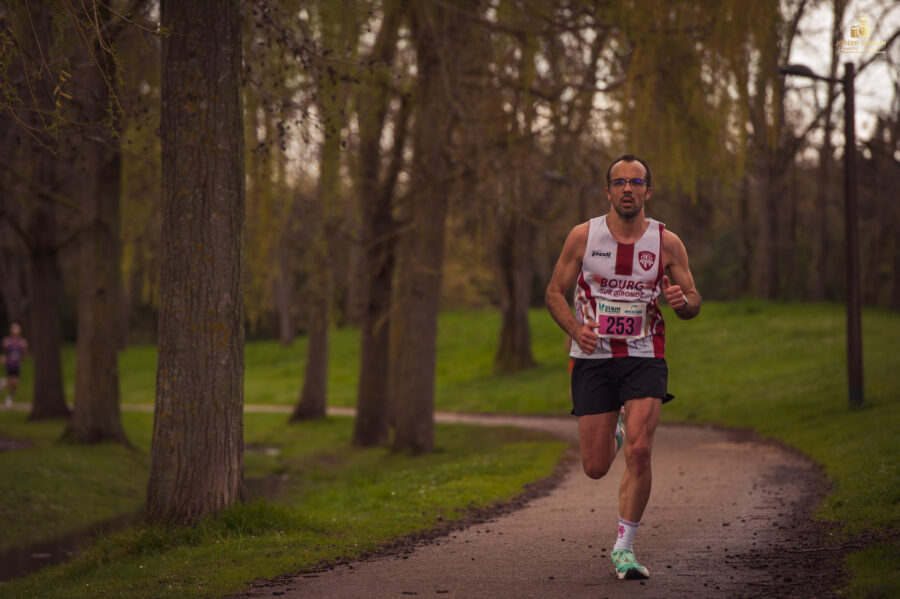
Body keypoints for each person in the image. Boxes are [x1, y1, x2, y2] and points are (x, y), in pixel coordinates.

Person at [545, 154, 700, 580]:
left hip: (644, 353)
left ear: (648, 191)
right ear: (607, 190)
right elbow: (554, 293)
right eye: (619, 182)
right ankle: (614, 429)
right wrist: (577, 331)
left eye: (636, 181)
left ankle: (625, 548)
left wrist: (684, 304)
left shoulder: (667, 242)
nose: (627, 188)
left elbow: (692, 298)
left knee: (640, 450)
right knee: (595, 467)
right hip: (593, 357)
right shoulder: (583, 236)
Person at [2, 323, 29, 408]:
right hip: (9, 365)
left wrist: (25, 353)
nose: (16, 333)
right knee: (13, 381)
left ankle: (8, 396)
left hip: (17, 365)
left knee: (15, 384)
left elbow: (25, 353)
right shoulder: (7, 341)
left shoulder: (22, 342)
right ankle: (8, 395)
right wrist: (3, 358)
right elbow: (4, 351)